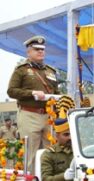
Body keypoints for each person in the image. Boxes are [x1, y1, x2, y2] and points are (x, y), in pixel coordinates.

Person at [7, 35, 59, 173]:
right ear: (28, 52)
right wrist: (32, 93)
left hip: (49, 115)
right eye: (36, 49)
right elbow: (11, 91)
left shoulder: (50, 71)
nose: (40, 52)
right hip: (29, 114)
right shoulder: (21, 70)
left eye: (42, 49)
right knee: (30, 152)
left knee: (51, 150)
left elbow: (57, 92)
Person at [41, 115, 75, 181]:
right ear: (57, 136)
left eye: (72, 134)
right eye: (66, 135)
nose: (70, 138)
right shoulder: (49, 154)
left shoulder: (78, 151)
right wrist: (63, 176)